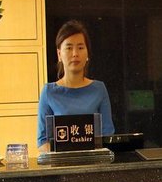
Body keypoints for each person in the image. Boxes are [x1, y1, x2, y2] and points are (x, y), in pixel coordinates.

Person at [37, 20, 114, 150]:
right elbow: (43, 141)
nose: (75, 54)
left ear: (87, 53)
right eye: (69, 48)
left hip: (94, 161)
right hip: (61, 162)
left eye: (80, 47)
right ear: (59, 54)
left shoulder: (99, 89)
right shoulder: (48, 92)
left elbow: (107, 135)